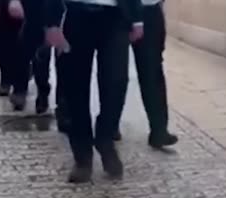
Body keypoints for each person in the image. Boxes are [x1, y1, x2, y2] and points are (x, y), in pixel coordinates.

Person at [46, 0, 143, 182]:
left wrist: (137, 18)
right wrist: (51, 23)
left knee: (117, 81)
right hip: (75, 13)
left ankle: (105, 138)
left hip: (115, 15)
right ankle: (82, 156)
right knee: (75, 87)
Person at [117, 0, 177, 149]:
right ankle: (109, 125)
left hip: (149, 10)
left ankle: (159, 130)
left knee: (152, 72)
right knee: (115, 73)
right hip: (119, 10)